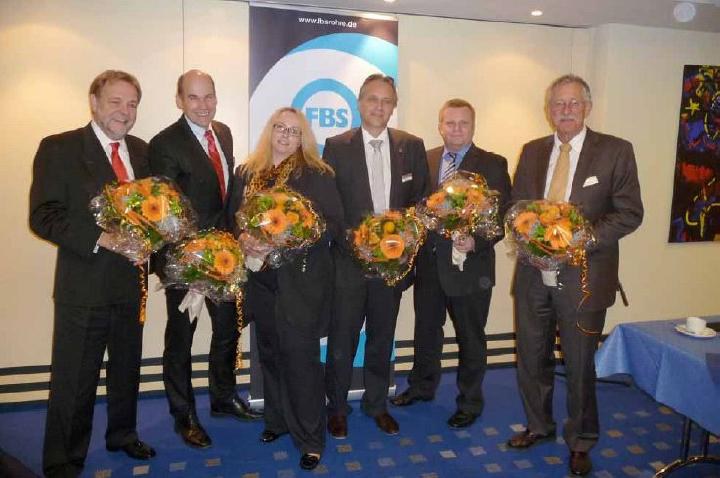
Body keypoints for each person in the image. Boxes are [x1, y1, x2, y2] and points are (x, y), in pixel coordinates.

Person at [507, 74, 643, 476]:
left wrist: (580, 241)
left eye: (573, 103)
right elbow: (516, 207)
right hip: (532, 274)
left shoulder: (616, 151)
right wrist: (530, 236)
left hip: (585, 277)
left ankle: (582, 440)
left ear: (587, 107)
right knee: (531, 356)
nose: (565, 110)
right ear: (548, 109)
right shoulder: (532, 151)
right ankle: (538, 425)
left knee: (580, 363)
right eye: (558, 104)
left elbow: (629, 213)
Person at [29, 70, 156, 478]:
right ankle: (63, 459)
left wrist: (158, 240)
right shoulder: (60, 148)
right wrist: (103, 238)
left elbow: (156, 213)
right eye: (116, 102)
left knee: (126, 370)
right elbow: (44, 216)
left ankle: (123, 434)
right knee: (75, 380)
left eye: (132, 104)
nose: (125, 111)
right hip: (84, 287)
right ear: (95, 103)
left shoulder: (142, 151)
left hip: (131, 286)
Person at [148, 69, 261, 450]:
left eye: (208, 96)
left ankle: (223, 398)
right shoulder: (164, 143)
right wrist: (197, 255)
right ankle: (184, 416)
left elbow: (224, 196)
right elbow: (167, 210)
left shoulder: (223, 133)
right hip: (185, 260)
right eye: (193, 97)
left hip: (224, 256)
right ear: (179, 100)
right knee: (181, 339)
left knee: (228, 329)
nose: (203, 105)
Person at [228, 107, 343, 470]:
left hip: (300, 282)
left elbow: (332, 226)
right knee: (270, 354)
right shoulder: (247, 172)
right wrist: (244, 239)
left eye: (294, 131)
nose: (285, 135)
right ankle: (276, 421)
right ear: (270, 130)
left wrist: (284, 242)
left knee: (301, 362)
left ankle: (311, 439)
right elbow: (233, 219)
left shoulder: (317, 174)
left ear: (302, 138)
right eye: (280, 127)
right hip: (260, 281)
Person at [390, 99, 511, 430]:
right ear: (440, 126)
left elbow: (502, 216)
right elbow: (413, 205)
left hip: (470, 268)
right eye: (450, 123)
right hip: (429, 265)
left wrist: (476, 241)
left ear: (473, 126)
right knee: (426, 330)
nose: (456, 129)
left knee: (470, 337)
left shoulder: (493, 163)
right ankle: (421, 386)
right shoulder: (425, 158)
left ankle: (469, 402)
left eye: (463, 123)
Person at [323, 74, 430, 438]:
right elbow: (330, 206)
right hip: (349, 264)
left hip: (392, 265)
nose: (379, 107)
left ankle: (376, 404)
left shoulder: (411, 146)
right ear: (359, 102)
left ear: (394, 106)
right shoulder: (336, 146)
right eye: (372, 99)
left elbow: (420, 202)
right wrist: (357, 241)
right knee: (343, 339)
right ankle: (337, 408)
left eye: (386, 101)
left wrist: (405, 240)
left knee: (383, 337)